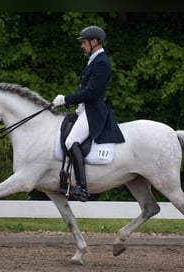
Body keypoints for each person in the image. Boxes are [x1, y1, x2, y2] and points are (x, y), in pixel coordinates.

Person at [52, 25, 125, 202]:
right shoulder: (93, 60)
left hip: (93, 112)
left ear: (94, 42)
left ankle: (82, 188)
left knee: (71, 141)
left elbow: (90, 93)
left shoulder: (101, 62)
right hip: (85, 110)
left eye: (84, 42)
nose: (82, 46)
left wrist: (66, 99)